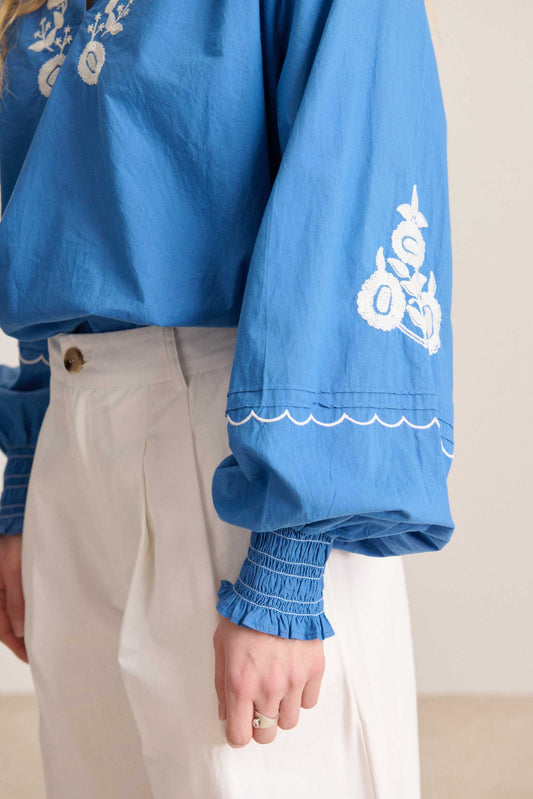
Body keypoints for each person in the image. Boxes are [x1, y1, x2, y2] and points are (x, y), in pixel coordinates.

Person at [0, 0, 454, 797]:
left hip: (244, 450)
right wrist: (26, 479)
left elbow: (351, 187)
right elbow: (52, 216)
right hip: (75, 460)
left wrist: (288, 558)